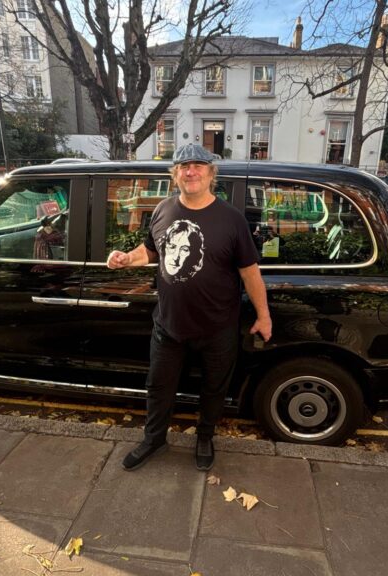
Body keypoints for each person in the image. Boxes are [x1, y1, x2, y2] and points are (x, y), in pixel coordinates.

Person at [107, 143, 272, 472]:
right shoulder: (163, 210)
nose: (191, 171)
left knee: (213, 389)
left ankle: (205, 438)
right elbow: (150, 251)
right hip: (168, 325)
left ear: (211, 174)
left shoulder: (231, 219)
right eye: (184, 166)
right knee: (158, 387)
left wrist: (264, 315)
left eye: (198, 165)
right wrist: (126, 258)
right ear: (175, 175)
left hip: (217, 327)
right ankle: (154, 439)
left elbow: (250, 272)